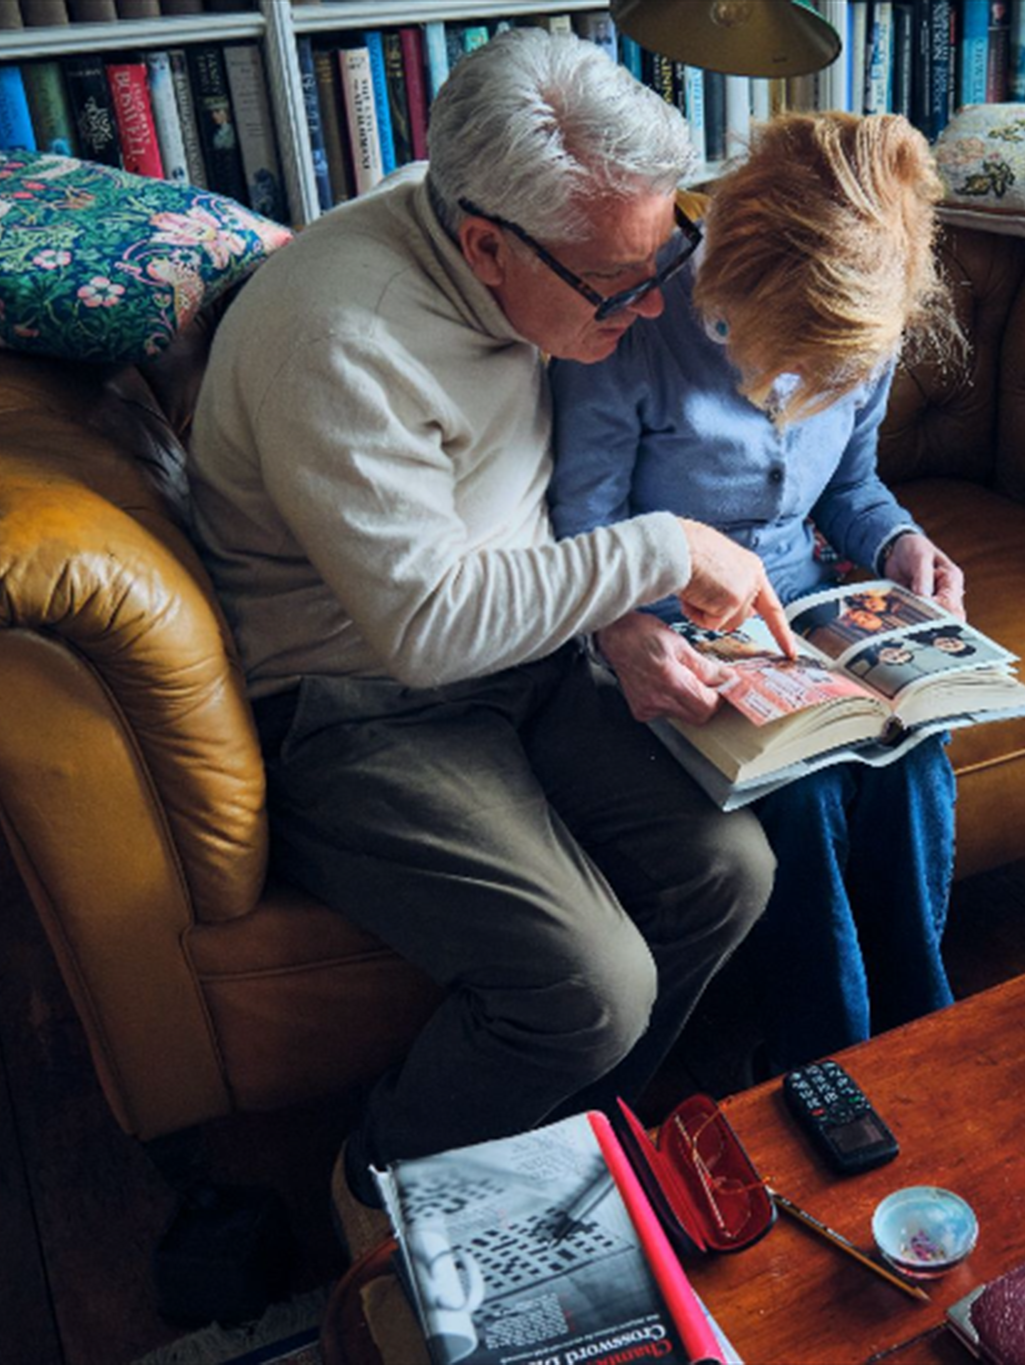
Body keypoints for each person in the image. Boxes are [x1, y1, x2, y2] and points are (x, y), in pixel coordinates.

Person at [185, 29, 786, 1215]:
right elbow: (422, 627)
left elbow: (514, 528)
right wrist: (656, 556)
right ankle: (377, 1183)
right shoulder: (339, 337)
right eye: (621, 286)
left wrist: (610, 622)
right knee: (591, 984)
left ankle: (555, 1145)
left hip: (528, 663)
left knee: (729, 870)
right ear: (482, 246)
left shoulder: (523, 255)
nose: (653, 303)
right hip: (362, 707)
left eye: (661, 254)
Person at [549, 111, 968, 1071]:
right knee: (803, 798)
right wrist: (626, 627)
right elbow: (583, 534)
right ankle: (827, 1063)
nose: (816, 382)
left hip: (810, 617)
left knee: (910, 755)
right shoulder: (633, 331)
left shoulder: (870, 321)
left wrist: (902, 544)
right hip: (669, 638)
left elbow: (853, 487)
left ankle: (929, 1039)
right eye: (802, 358)